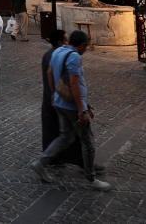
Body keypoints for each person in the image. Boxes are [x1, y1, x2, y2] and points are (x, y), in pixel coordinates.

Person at [31, 30, 110, 191]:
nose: (86, 49)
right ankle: (90, 178)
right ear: (81, 45)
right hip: (72, 107)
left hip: (60, 103)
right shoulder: (74, 57)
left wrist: (53, 94)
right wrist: (82, 110)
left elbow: (49, 73)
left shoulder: (58, 51)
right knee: (88, 142)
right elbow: (74, 84)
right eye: (86, 46)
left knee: (65, 137)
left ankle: (41, 163)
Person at [41, 30, 84, 168]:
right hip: (58, 99)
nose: (68, 43)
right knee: (71, 133)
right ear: (60, 42)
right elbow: (67, 81)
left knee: (58, 132)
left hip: (53, 98)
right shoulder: (56, 55)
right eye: (66, 40)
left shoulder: (52, 55)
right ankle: (81, 163)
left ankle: (52, 159)